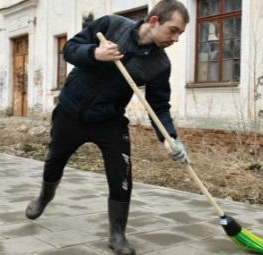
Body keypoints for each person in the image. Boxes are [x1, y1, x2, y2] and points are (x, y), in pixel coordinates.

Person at [25, 1, 189, 254]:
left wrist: (170, 139)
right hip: (71, 111)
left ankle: (117, 235)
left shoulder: (160, 65)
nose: (176, 38)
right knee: (55, 160)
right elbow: (70, 49)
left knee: (121, 174)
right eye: (173, 30)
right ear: (154, 21)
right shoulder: (111, 25)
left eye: (180, 33)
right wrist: (95, 54)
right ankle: (44, 198)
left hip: (110, 120)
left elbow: (159, 105)